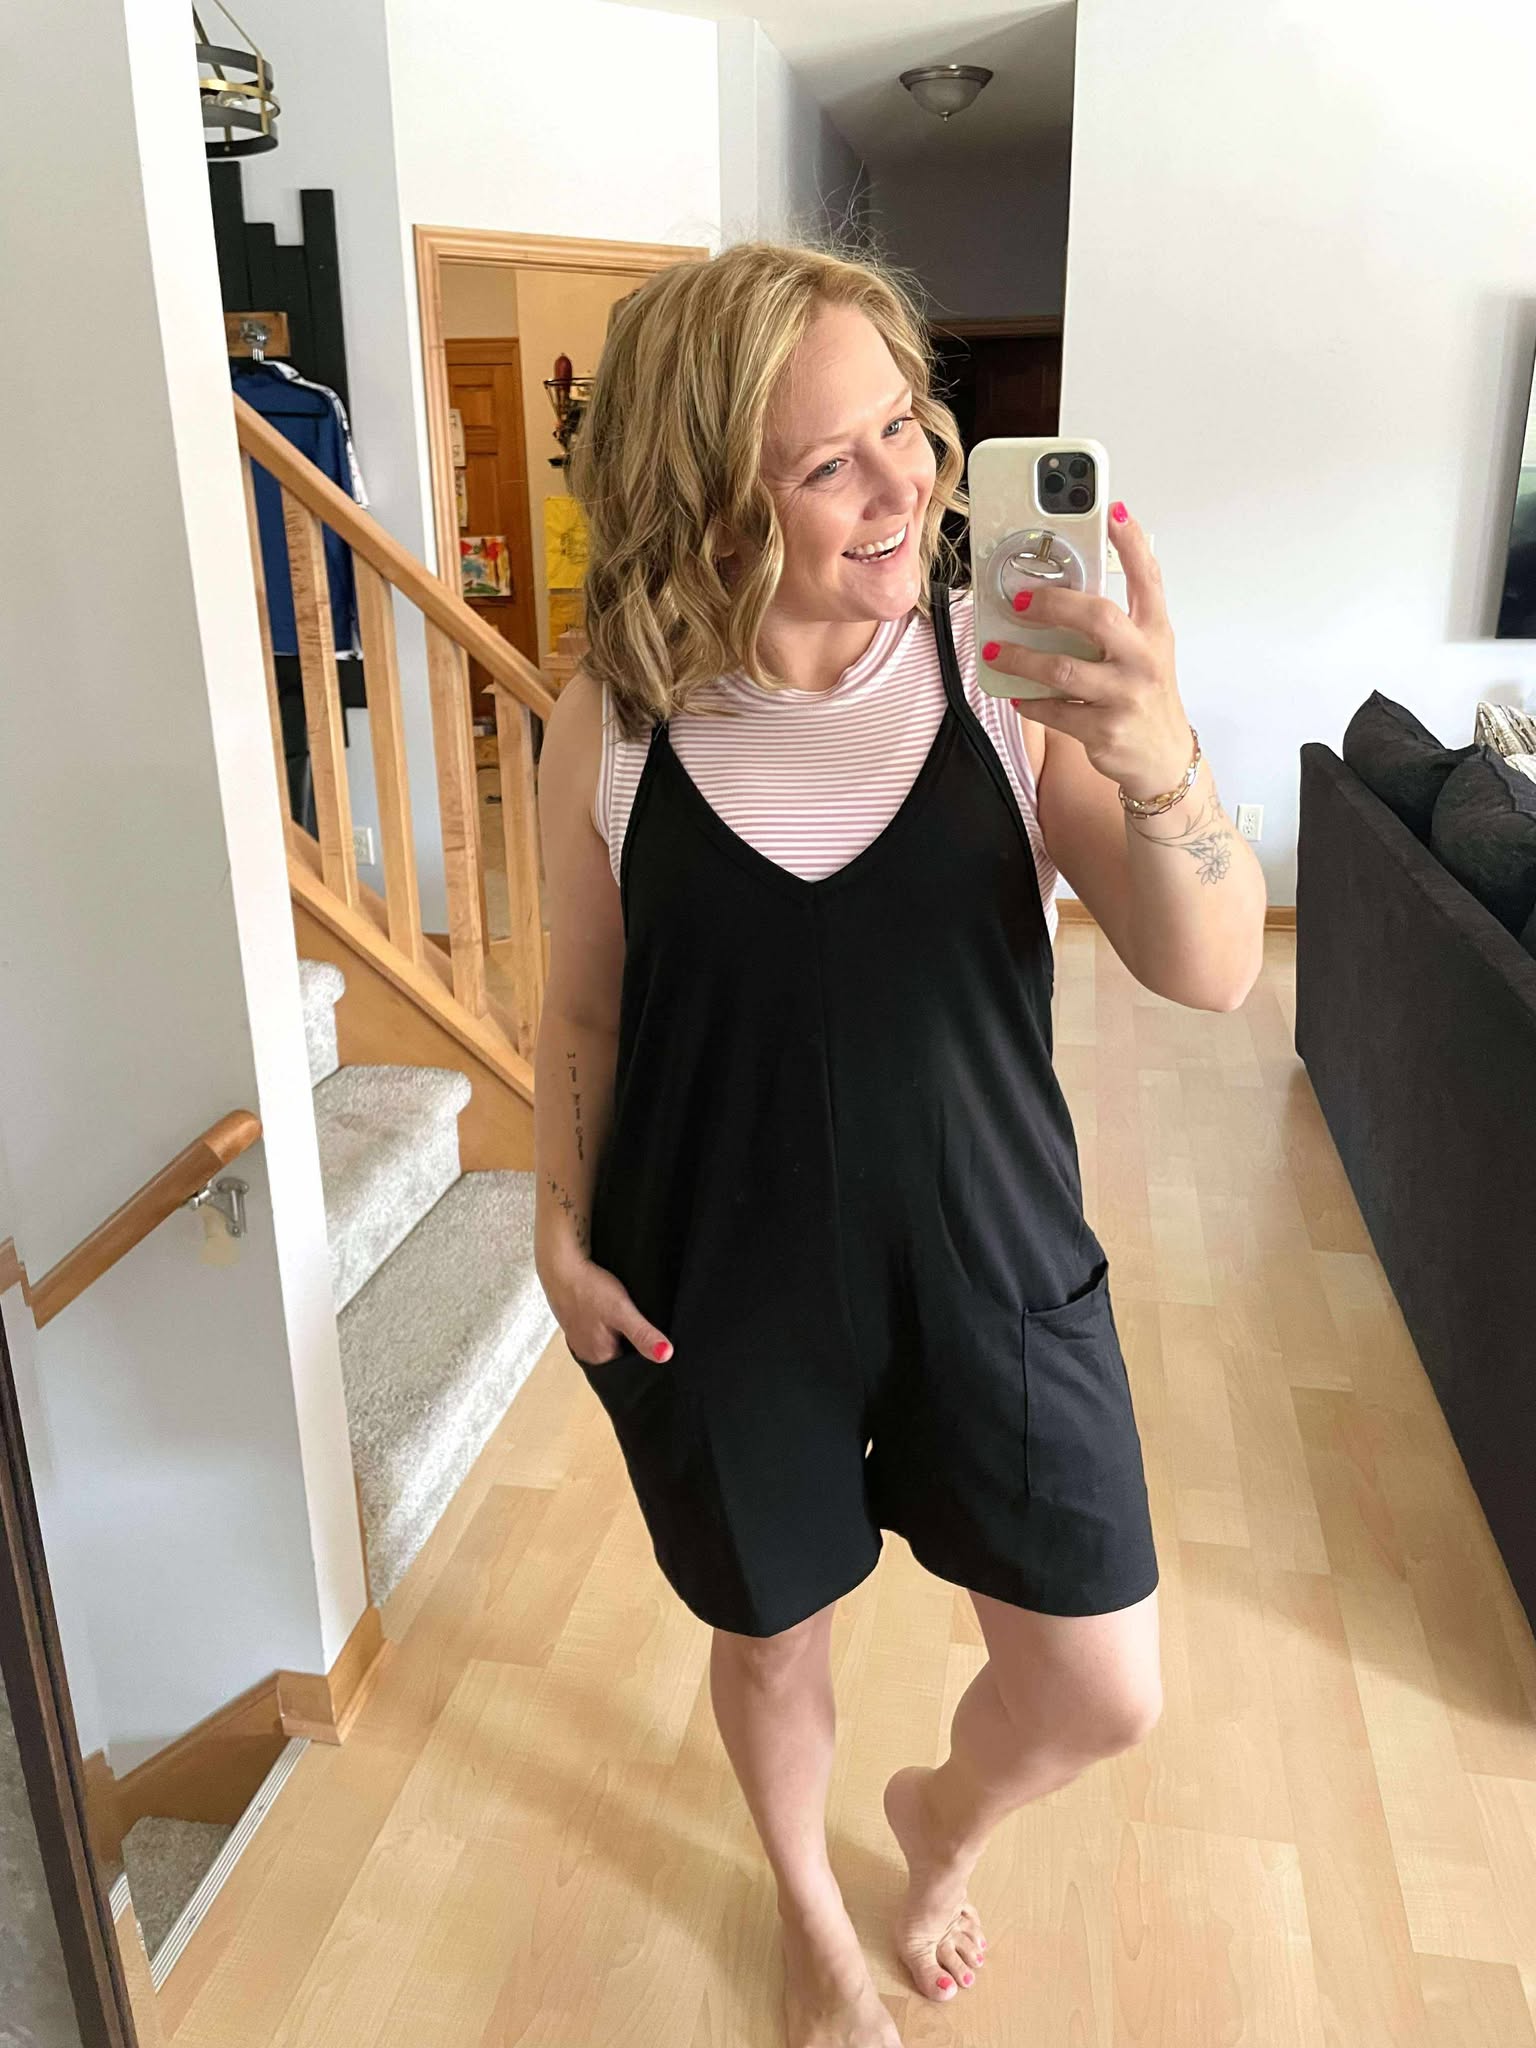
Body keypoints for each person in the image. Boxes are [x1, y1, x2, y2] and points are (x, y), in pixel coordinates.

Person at [533, 240, 1266, 2048]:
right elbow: (585, 1012)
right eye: (828, 462)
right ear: (713, 499)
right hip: (719, 1283)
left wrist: (1157, 752)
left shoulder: (1004, 680)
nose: (908, 485)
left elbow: (1214, 970)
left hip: (993, 1263)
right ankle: (810, 1915)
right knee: (771, 1637)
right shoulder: (612, 720)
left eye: (906, 427)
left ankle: (937, 1826)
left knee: (1098, 1686)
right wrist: (556, 1226)